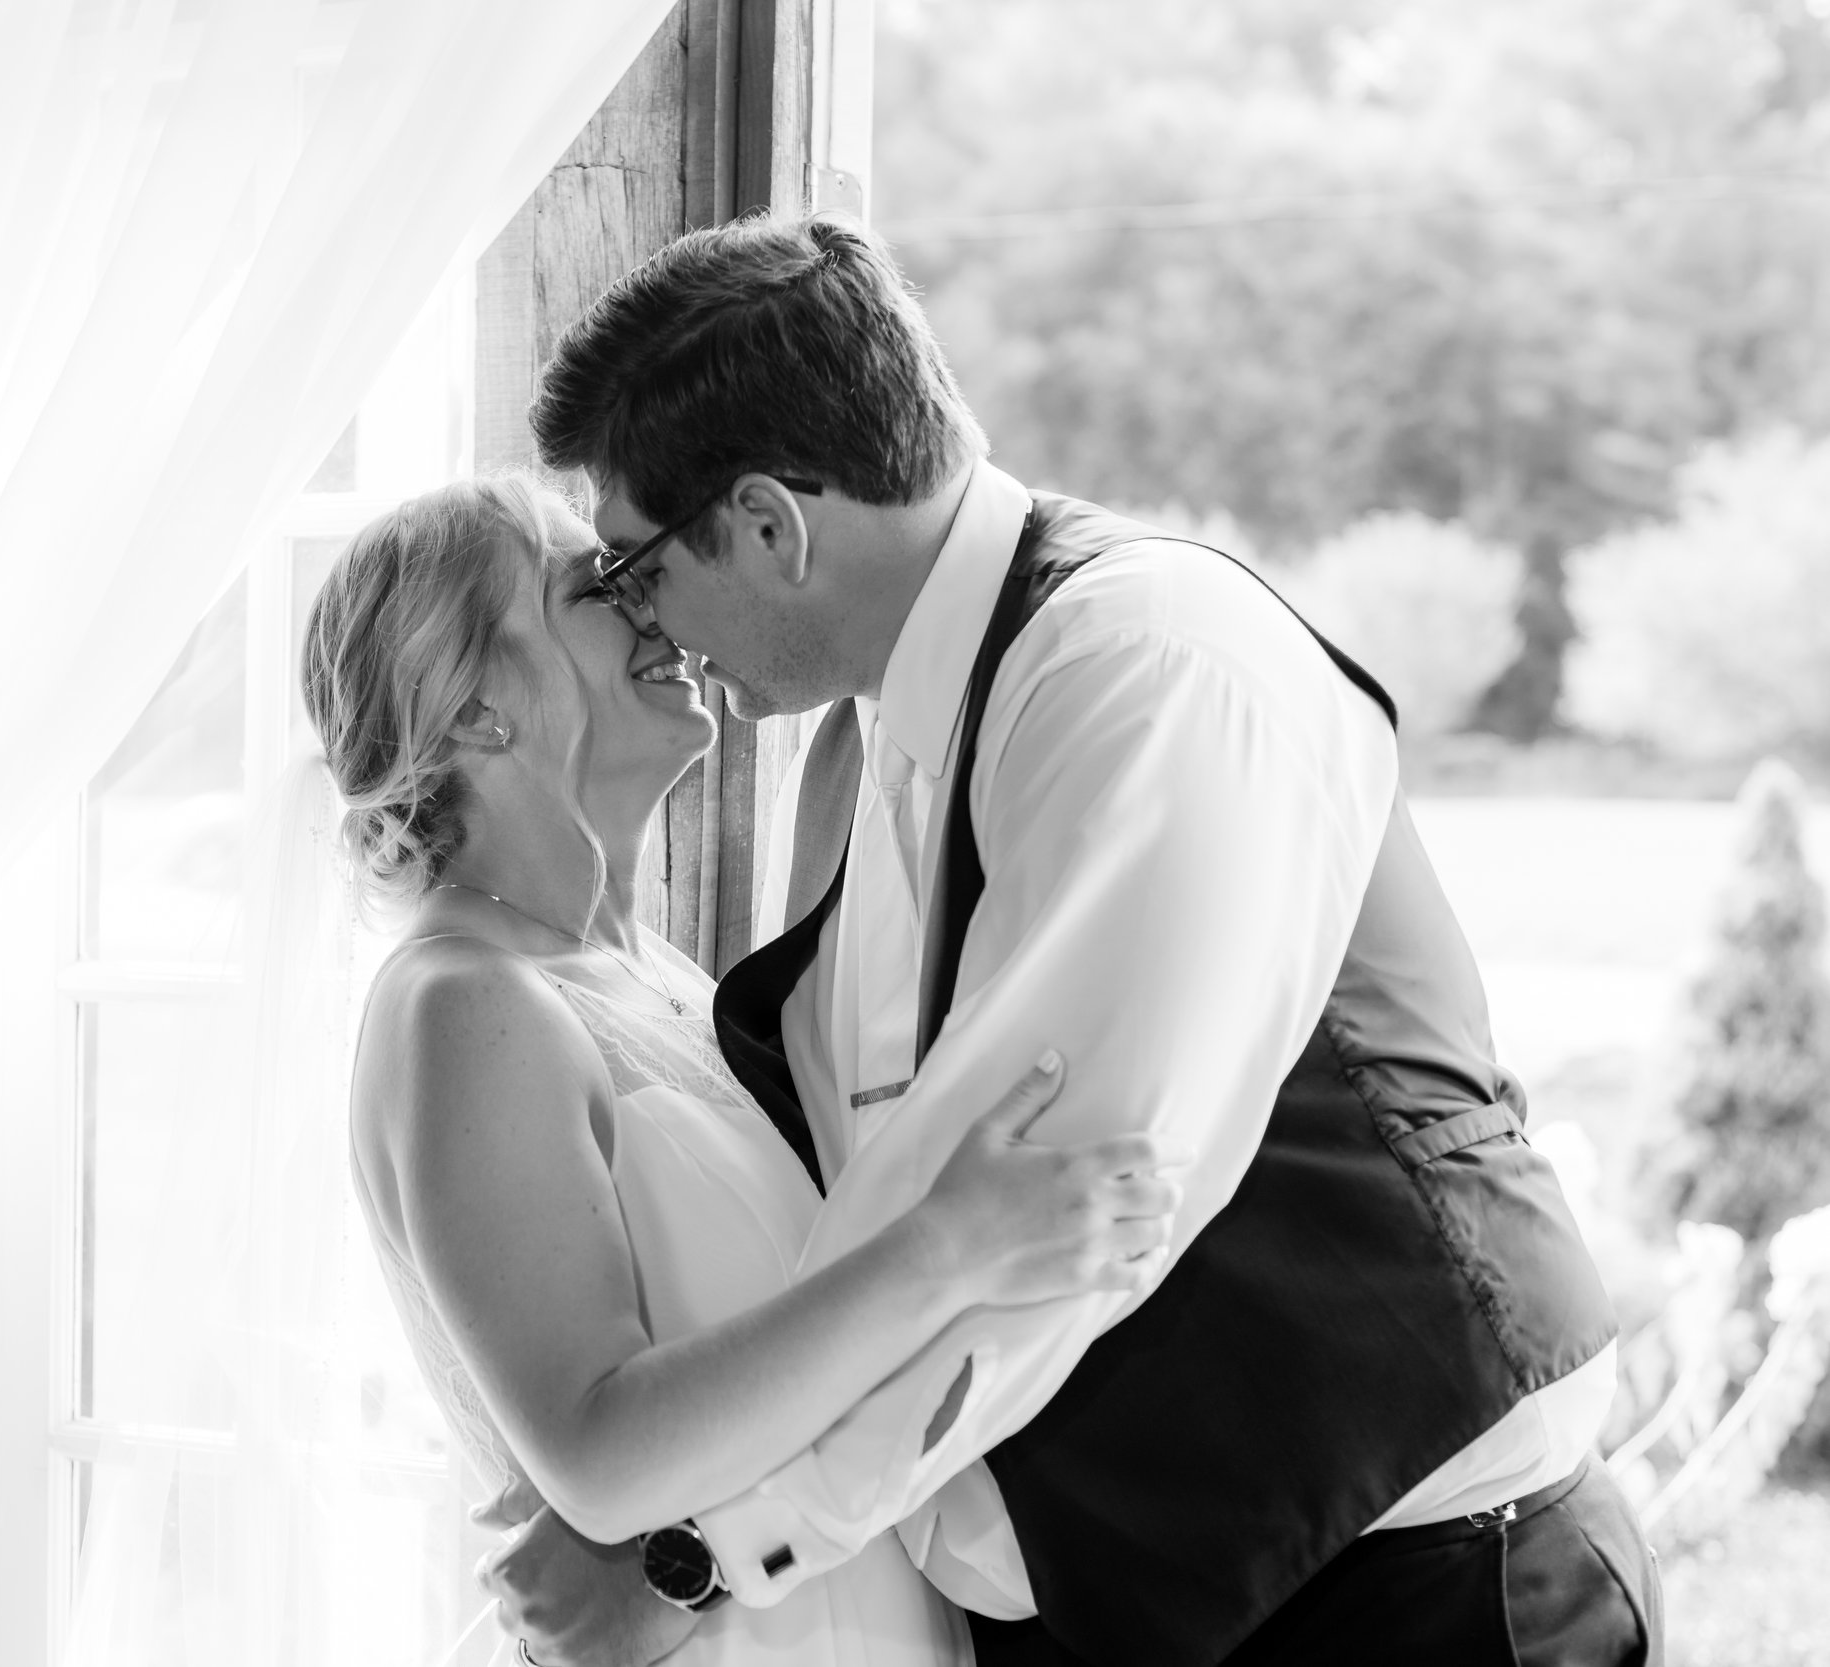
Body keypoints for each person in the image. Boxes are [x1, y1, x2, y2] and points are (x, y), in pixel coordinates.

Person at [486, 212, 1663, 1666]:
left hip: (1401, 1597)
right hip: (1144, 1598)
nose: (645, 625)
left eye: (634, 568)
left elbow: (1062, 1217)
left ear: (771, 526)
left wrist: (700, 1558)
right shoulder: (872, 744)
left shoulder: (1146, 671)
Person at [302, 474, 1190, 1666]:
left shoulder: (647, 974)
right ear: (474, 713)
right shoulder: (463, 1007)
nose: (655, 610)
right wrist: (948, 1241)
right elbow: (602, 1455)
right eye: (592, 589)